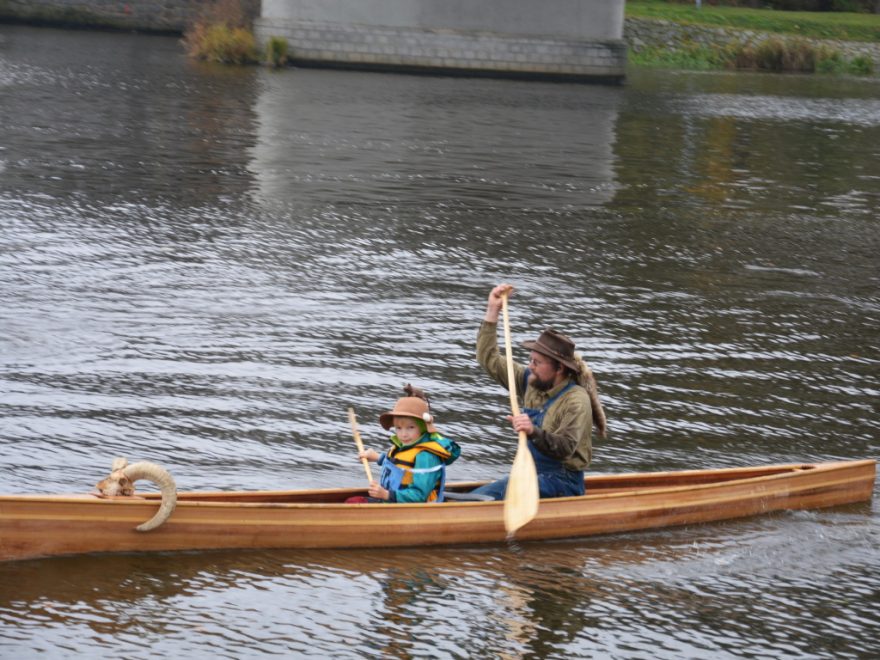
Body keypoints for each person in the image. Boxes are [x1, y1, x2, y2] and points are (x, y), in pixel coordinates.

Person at [471, 283, 607, 501]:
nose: (531, 366)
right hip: (532, 474)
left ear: (559, 368)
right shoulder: (530, 381)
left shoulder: (576, 401)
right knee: (479, 495)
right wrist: (492, 311)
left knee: (496, 493)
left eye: (537, 362)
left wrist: (532, 431)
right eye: (530, 360)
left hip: (564, 481)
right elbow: (489, 359)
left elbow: (565, 448)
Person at [349, 385, 461, 503]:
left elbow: (419, 495)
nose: (404, 434)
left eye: (410, 427)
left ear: (423, 427)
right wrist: (377, 457)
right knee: (354, 500)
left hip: (415, 509)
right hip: (393, 501)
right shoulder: (405, 445)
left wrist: (386, 494)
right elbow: (400, 466)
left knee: (354, 502)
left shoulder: (426, 456)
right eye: (399, 428)